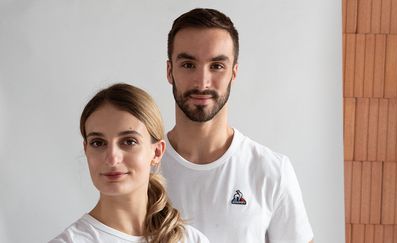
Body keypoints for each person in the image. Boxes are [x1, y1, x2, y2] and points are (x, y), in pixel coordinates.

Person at [161, 8, 314, 243]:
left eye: (217, 66)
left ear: (234, 72)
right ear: (170, 71)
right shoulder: (141, 168)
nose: (202, 82)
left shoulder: (271, 171)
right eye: (189, 65)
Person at [49, 83, 209, 243]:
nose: (112, 158)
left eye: (129, 141)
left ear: (157, 152)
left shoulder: (191, 239)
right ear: (86, 149)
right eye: (98, 143)